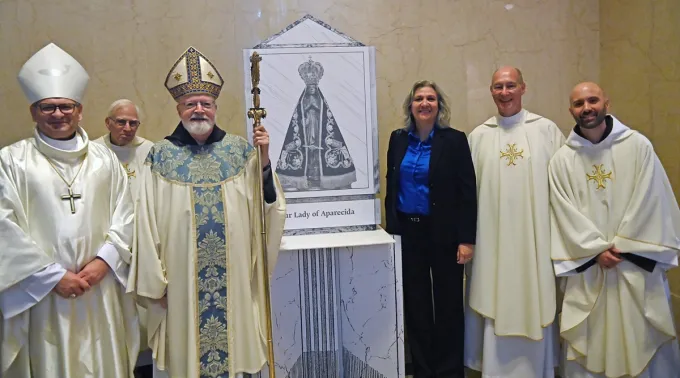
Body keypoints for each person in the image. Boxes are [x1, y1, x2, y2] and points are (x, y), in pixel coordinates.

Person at [129, 46, 286, 378]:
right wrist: (156, 281)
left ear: (215, 108)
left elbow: (266, 206)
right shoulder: (159, 156)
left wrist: (265, 160)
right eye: (190, 104)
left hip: (233, 277)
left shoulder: (241, 152)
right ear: (178, 109)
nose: (198, 109)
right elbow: (144, 223)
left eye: (206, 104)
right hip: (180, 282)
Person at [0, 43, 139, 377]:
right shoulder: (11, 161)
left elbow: (127, 212)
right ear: (33, 111)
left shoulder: (104, 158)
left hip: (99, 288)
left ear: (80, 111)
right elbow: (3, 226)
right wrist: (52, 277)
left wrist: (104, 261)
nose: (57, 114)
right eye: (48, 107)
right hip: (42, 294)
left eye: (65, 106)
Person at [549, 81, 680, 377]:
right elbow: (562, 212)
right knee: (591, 341)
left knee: (641, 337)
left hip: (633, 264)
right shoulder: (562, 160)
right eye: (579, 104)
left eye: (592, 101)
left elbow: (651, 198)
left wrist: (621, 246)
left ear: (607, 103)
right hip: (592, 268)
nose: (587, 109)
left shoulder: (637, 146)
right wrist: (596, 251)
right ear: (571, 110)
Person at [464, 66, 564, 377]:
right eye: (498, 87)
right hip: (492, 242)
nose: (504, 92)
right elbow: (466, 195)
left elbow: (564, 187)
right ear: (491, 91)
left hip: (536, 241)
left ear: (523, 87)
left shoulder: (546, 131)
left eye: (510, 85)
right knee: (494, 297)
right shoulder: (478, 137)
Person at [384, 80, 477, 378]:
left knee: (449, 303)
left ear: (439, 105)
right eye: (419, 98)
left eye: (431, 99)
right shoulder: (397, 140)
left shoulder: (454, 140)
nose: (425, 103)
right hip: (409, 234)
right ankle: (423, 369)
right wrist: (391, 231)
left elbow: (467, 193)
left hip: (445, 234)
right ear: (410, 106)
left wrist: (466, 239)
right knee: (416, 304)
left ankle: (450, 370)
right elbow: (391, 186)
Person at [93, 99, 154, 375]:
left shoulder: (150, 151)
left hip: (146, 244)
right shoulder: (93, 152)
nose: (127, 128)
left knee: (145, 314)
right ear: (108, 123)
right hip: (111, 249)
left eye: (133, 123)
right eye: (121, 122)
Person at [276, 55, 356, 191]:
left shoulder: (320, 101)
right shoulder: (303, 101)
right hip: (307, 129)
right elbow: (300, 116)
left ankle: (323, 177)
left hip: (319, 130)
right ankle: (307, 177)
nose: (312, 89)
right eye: (310, 87)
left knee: (318, 151)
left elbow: (325, 116)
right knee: (308, 152)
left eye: (314, 86)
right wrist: (308, 111)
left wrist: (314, 108)